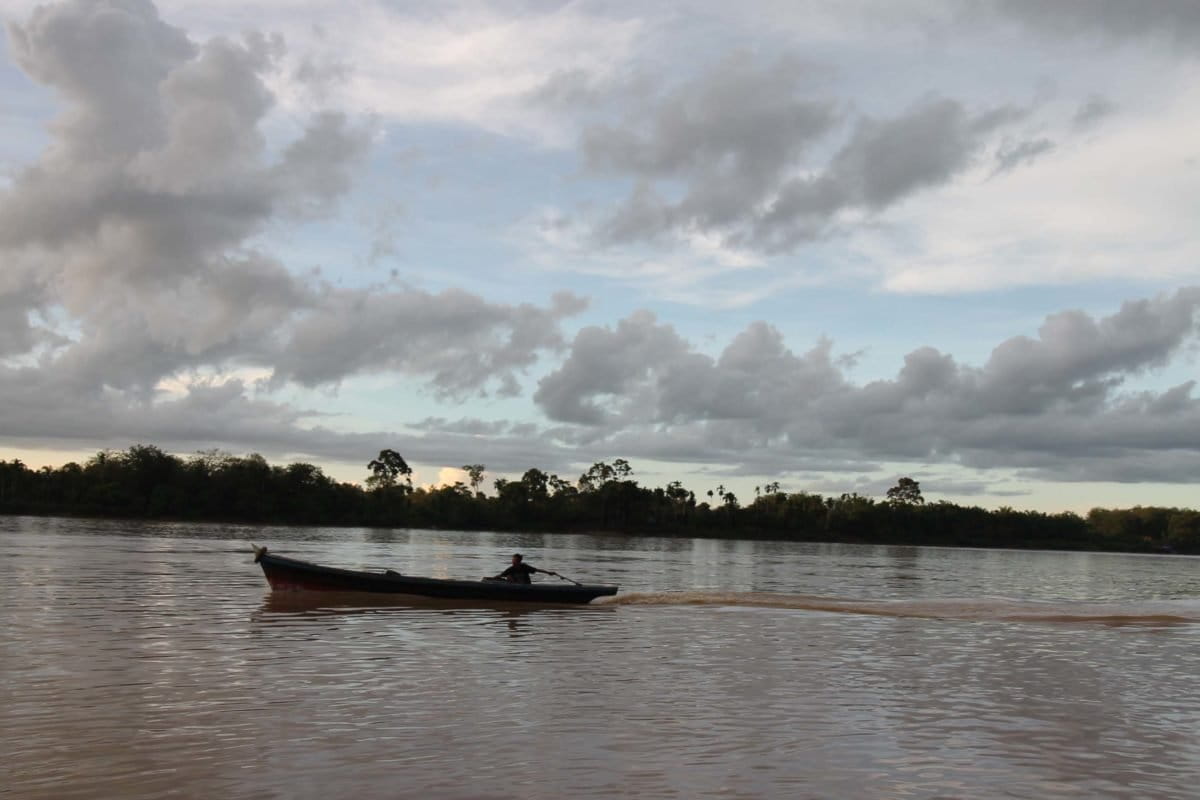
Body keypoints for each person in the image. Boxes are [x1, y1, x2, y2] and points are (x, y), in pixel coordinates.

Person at [492, 553, 557, 584]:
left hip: (525, 585)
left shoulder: (525, 567)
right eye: (513, 560)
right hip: (516, 585)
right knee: (507, 576)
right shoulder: (511, 569)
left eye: (515, 560)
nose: (513, 562)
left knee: (509, 576)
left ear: (519, 561)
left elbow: (537, 570)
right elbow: (501, 575)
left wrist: (548, 572)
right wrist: (491, 578)